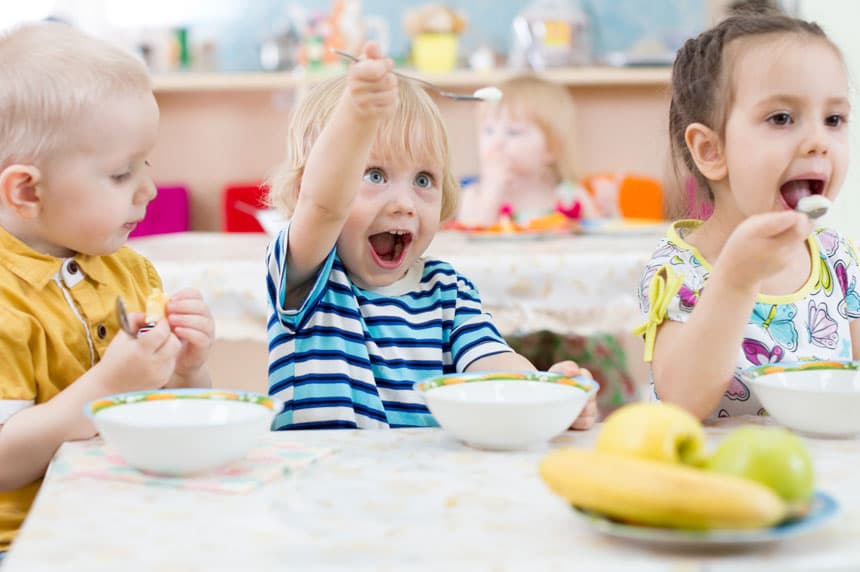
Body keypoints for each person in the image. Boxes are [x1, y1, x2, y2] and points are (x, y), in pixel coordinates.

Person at [265, 43, 597, 430]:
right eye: (374, 175)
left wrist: (546, 392)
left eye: (423, 180)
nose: (404, 203)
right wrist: (357, 116)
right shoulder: (307, 274)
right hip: (313, 486)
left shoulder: (448, 290)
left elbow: (491, 363)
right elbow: (324, 205)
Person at [0, 22, 215, 554]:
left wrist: (188, 370)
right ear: (27, 190)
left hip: (125, 519)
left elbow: (172, 416)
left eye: (146, 162)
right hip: (27, 544)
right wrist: (107, 386)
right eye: (121, 174)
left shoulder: (130, 272)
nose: (149, 188)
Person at [635, 12, 859, 421]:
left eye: (834, 120)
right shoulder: (679, 272)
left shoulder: (836, 258)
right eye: (781, 118)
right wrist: (737, 278)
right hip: (715, 477)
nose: (818, 142)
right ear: (710, 151)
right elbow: (681, 403)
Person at [456, 75, 599, 227]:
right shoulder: (474, 195)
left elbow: (600, 238)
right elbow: (473, 238)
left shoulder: (569, 196)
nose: (497, 142)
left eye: (513, 132)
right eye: (488, 130)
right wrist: (492, 191)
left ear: (551, 148)